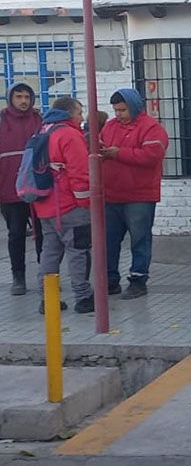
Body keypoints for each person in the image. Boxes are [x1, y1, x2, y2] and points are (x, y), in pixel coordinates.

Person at [99, 88, 168, 300]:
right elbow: (100, 145)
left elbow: (151, 155)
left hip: (139, 195)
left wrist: (117, 153)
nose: (118, 114)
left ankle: (138, 280)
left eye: (122, 110)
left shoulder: (152, 128)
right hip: (111, 194)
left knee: (140, 240)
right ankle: (110, 280)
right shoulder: (109, 126)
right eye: (116, 110)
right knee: (108, 240)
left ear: (134, 107)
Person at [33, 97, 92, 314]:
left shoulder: (42, 131)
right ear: (69, 114)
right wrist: (85, 203)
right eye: (79, 113)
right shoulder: (69, 135)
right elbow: (80, 172)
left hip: (44, 204)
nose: (81, 117)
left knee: (50, 251)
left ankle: (48, 299)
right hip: (69, 205)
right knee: (78, 250)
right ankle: (83, 297)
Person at [0, 83, 44, 296]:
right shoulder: (1, 122)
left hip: (38, 189)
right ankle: (18, 277)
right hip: (9, 189)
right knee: (16, 234)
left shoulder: (39, 120)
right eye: (19, 96)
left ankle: (46, 276)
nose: (23, 101)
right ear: (10, 98)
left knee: (44, 235)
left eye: (27, 96)